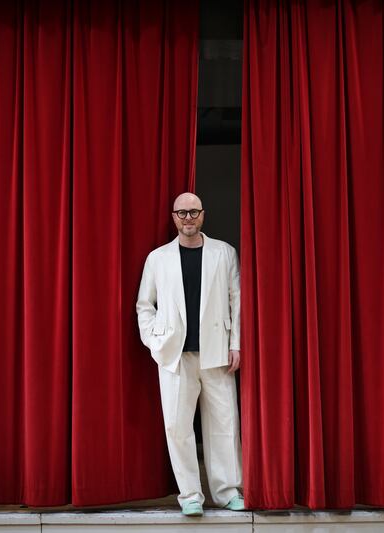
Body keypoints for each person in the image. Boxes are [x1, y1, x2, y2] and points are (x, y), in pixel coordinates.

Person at [136, 192, 244, 516]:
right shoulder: (158, 258)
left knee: (224, 424)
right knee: (177, 427)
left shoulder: (224, 253)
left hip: (216, 352)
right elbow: (144, 306)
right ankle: (190, 496)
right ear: (173, 217)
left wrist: (235, 343)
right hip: (175, 356)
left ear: (203, 215)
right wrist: (156, 343)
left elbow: (236, 302)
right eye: (182, 213)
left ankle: (228, 492)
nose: (188, 218)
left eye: (193, 212)